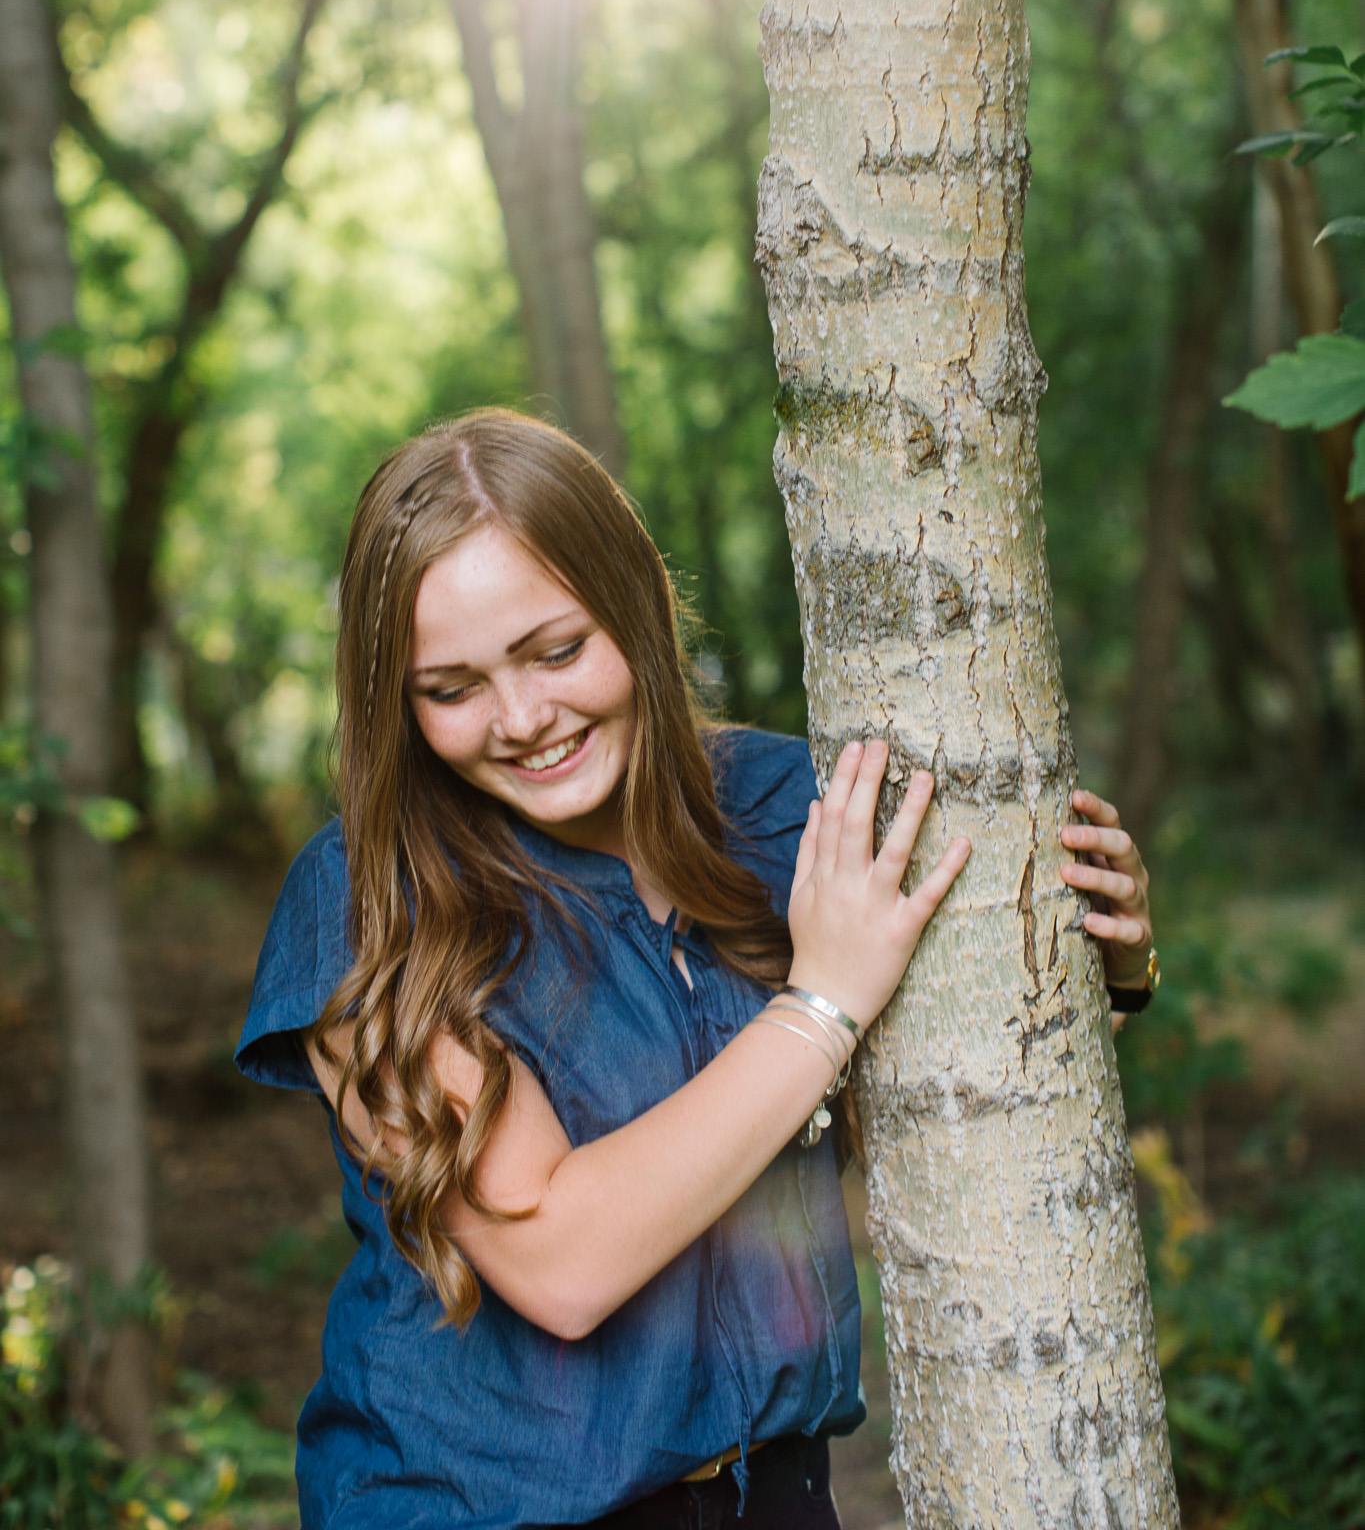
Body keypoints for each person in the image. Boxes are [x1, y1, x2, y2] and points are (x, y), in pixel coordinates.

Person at [236, 410, 1155, 1530]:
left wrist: (1095, 967)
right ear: (397, 698)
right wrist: (823, 1002)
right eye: (452, 687)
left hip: (777, 1492)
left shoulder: (782, 809)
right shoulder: (366, 901)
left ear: (637, 605)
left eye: (557, 648)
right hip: (484, 1504)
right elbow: (560, 1260)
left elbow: (927, 1098)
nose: (523, 718)